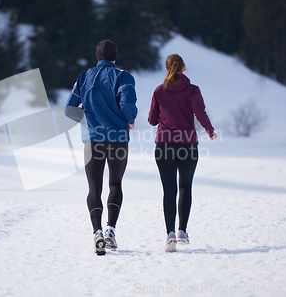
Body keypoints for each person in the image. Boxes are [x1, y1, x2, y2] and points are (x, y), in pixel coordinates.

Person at [65, 39, 137, 255]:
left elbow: (69, 109)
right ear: (115, 56)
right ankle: (110, 231)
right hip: (118, 138)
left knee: (94, 188)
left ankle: (96, 233)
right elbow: (127, 105)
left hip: (92, 140)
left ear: (97, 56)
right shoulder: (124, 76)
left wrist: (89, 119)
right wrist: (129, 119)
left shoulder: (83, 77)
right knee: (115, 184)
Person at [148, 54, 216, 253]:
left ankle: (169, 234)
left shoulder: (159, 91)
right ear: (184, 68)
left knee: (169, 190)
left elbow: (152, 120)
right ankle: (182, 232)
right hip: (187, 145)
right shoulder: (192, 90)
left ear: (167, 69)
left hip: (164, 145)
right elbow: (200, 112)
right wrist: (210, 130)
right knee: (185, 186)